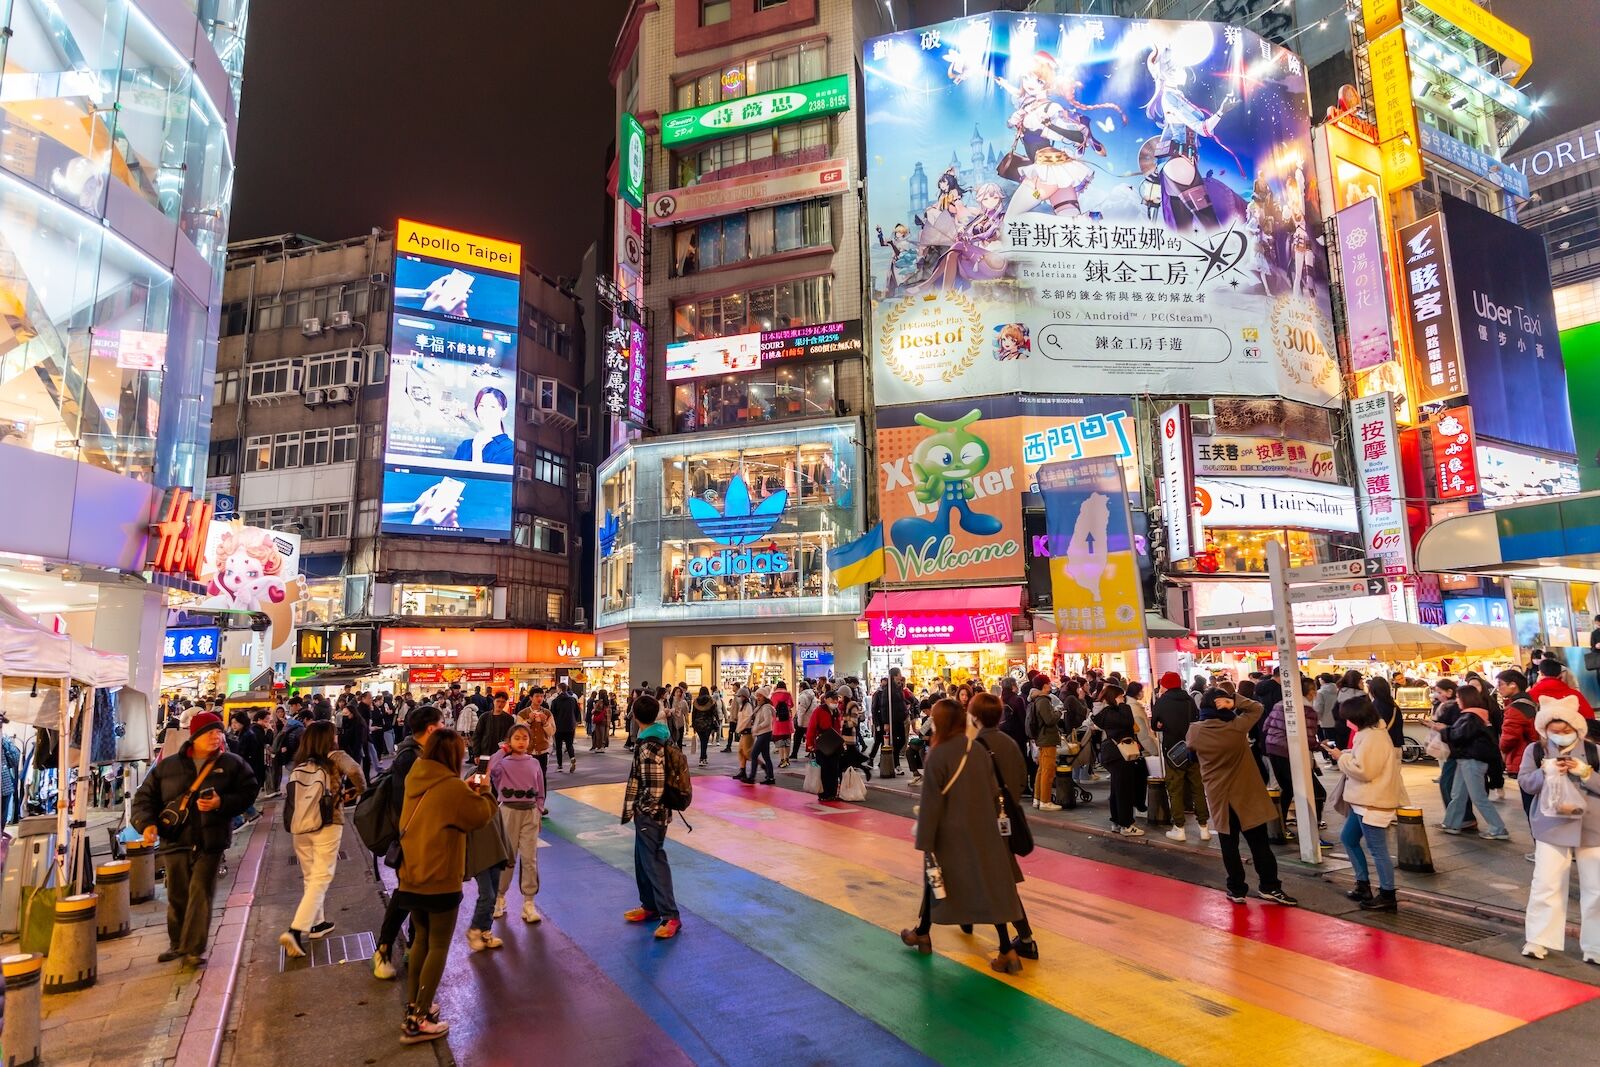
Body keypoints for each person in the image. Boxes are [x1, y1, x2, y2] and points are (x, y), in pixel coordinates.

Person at [900, 699, 1028, 973]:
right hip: (985, 831)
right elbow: (994, 792)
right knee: (989, 887)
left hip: (950, 836)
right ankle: (1006, 950)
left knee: (936, 880)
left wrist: (925, 840)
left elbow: (931, 802)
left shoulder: (939, 754)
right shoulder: (977, 749)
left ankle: (922, 934)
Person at [130, 711, 259, 967]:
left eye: (219, 732)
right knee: (177, 894)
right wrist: (147, 824)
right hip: (176, 839)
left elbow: (249, 791)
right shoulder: (168, 766)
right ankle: (177, 943)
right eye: (210, 732)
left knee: (201, 892)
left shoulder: (231, 763)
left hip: (211, 840)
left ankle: (193, 949)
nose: (216, 737)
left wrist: (222, 803)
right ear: (195, 736)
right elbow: (144, 798)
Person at [395, 730, 495, 1044]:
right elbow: (480, 815)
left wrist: (464, 790)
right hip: (440, 877)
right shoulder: (451, 786)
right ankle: (419, 1021)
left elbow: (441, 807)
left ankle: (415, 1006)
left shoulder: (416, 776)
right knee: (438, 945)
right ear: (452, 755)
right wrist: (485, 790)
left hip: (410, 873)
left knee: (420, 941)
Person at [1186, 689, 1298, 906]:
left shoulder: (1195, 731)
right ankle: (1270, 886)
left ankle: (1236, 889)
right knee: (1259, 844)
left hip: (1220, 796)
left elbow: (1191, 755)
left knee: (1229, 845)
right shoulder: (1237, 726)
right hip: (1246, 795)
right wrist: (1235, 701)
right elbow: (1257, 708)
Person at [1518, 695, 1600, 964]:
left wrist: (1586, 773)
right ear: (1544, 729)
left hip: (1592, 826)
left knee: (1597, 888)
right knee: (1546, 882)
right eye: (1554, 731)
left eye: (1566, 730)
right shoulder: (1535, 750)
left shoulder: (1594, 751)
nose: (1561, 735)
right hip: (1550, 825)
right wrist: (1546, 772)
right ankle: (1538, 940)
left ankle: (1595, 945)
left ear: (1576, 727)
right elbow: (1526, 783)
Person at [278, 721, 366, 957]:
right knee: (322, 876)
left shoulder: (301, 763)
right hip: (328, 821)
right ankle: (296, 930)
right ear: (329, 738)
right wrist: (360, 790)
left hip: (300, 825)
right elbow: (355, 771)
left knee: (311, 877)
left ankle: (317, 924)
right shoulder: (336, 756)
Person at [372, 704, 444, 979]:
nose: (444, 729)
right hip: (412, 837)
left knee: (419, 896)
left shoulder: (418, 753)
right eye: (441, 725)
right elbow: (408, 802)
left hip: (422, 836)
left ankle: (414, 946)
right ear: (431, 729)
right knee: (406, 894)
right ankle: (383, 949)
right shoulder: (410, 758)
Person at [970, 693, 1040, 961]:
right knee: (1002, 879)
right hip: (1007, 819)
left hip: (985, 823)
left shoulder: (975, 746)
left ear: (975, 716)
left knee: (998, 883)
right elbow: (1021, 779)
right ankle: (1023, 938)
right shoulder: (1009, 742)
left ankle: (1021, 940)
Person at [1326, 694, 1407, 912]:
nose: (1346, 722)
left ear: (1357, 718)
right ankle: (1363, 885)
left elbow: (1365, 771)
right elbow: (1365, 760)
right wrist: (1346, 753)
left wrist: (1341, 758)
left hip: (1372, 801)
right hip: (1362, 800)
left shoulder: (1372, 737)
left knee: (1377, 849)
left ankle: (1387, 895)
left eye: (1347, 718)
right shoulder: (1370, 733)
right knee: (1348, 838)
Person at [621, 695, 682, 940]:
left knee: (654, 861)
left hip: (651, 813)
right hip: (654, 811)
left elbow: (655, 787)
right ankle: (650, 905)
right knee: (643, 860)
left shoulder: (649, 745)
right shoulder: (662, 735)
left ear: (635, 716)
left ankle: (670, 915)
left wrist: (641, 808)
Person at [487, 723, 546, 924]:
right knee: (507, 858)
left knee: (530, 858)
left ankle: (529, 902)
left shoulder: (534, 763)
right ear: (509, 741)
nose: (521, 742)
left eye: (525, 738)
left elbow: (540, 790)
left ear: (530, 741)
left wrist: (538, 811)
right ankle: (499, 898)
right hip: (508, 812)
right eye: (517, 738)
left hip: (530, 812)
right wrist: (502, 750)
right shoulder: (503, 764)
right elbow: (489, 768)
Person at [1442, 685, 1511, 840]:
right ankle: (1452, 823)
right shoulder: (1475, 715)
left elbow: (1459, 736)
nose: (1457, 701)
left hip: (1472, 760)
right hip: (1466, 759)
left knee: (1478, 797)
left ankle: (1498, 829)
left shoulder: (1472, 716)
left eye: (1458, 697)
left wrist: (1442, 730)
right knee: (1458, 794)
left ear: (1465, 698)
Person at [1263, 675, 1327, 839]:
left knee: (1288, 789)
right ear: (1311, 692)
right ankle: (1313, 833)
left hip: (1273, 750)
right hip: (1290, 754)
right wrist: (1323, 746)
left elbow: (1266, 726)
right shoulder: (1307, 711)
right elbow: (1309, 740)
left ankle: (1281, 827)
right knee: (1318, 792)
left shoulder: (1280, 704)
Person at [1151, 672, 1209, 842]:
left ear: (1165, 685)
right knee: (1197, 788)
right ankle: (1204, 827)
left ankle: (1179, 828)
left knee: (1175, 789)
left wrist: (1162, 725)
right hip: (1191, 749)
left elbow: (1155, 725)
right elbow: (1197, 719)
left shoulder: (1162, 702)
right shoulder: (1189, 700)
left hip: (1173, 752)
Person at [1093, 684, 1147, 837]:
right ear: (1115, 697)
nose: (1123, 698)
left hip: (1112, 753)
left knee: (1117, 789)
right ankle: (1126, 824)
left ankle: (1117, 822)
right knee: (1124, 790)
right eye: (1121, 696)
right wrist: (1122, 704)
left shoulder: (1105, 713)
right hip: (1120, 754)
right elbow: (1128, 721)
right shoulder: (1114, 713)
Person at [1498, 669, 1542, 826]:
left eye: (1501, 684)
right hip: (1537, 756)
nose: (1499, 688)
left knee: (1531, 806)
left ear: (1513, 685)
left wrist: (1502, 750)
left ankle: (1538, 839)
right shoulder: (1531, 703)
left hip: (1524, 758)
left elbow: (1509, 738)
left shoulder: (1515, 708)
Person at [452, 386, 513, 465]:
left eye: (492, 407)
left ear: (504, 412)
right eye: (482, 405)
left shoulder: (509, 448)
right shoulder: (465, 446)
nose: (486, 411)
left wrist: (477, 449)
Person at [1028, 678, 1063, 812]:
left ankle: (1038, 799)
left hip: (1042, 738)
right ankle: (1045, 801)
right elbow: (1049, 720)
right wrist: (1058, 713)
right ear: (1044, 686)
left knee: (1042, 770)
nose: (1050, 686)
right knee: (1048, 771)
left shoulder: (1037, 700)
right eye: (1048, 684)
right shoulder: (1043, 701)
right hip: (1047, 738)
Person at [808, 688, 846, 801]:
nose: (835, 701)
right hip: (822, 744)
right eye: (833, 699)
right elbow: (812, 727)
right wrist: (810, 743)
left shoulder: (836, 711)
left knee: (834, 769)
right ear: (826, 699)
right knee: (824, 770)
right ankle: (824, 794)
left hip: (834, 744)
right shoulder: (819, 711)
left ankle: (832, 793)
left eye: (836, 699)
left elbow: (838, 728)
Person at [744, 686, 777, 785]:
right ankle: (770, 777)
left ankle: (752, 777)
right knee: (766, 756)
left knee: (754, 754)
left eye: (760, 696)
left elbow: (767, 721)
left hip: (764, 733)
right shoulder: (760, 707)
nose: (758, 698)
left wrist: (757, 727)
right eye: (757, 695)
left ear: (765, 697)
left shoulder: (766, 707)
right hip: (762, 733)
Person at [549, 683, 580, 774]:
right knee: (569, 744)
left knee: (558, 746)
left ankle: (560, 765)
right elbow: (577, 712)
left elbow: (552, 715)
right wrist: (575, 722)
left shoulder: (555, 701)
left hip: (558, 727)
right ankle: (572, 758)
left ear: (559, 689)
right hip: (570, 726)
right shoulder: (572, 700)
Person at [691, 686, 718, 767]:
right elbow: (715, 712)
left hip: (698, 723)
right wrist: (717, 719)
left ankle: (703, 757)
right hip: (707, 723)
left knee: (702, 740)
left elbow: (693, 713)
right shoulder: (711, 701)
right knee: (705, 741)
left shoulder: (696, 701)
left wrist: (693, 724)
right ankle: (703, 758)